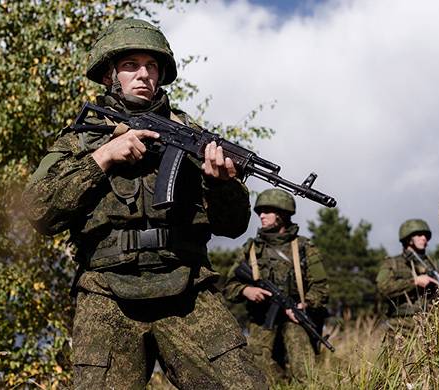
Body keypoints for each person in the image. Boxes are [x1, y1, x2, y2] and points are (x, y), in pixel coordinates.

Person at [22, 18, 267, 389]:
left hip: (186, 289)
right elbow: (37, 212)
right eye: (130, 65)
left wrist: (222, 184)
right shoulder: (81, 140)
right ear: (109, 75)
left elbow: (233, 226)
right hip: (106, 295)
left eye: (152, 66)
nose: (144, 75)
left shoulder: (193, 137)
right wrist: (102, 158)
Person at [223, 189, 329, 384]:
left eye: (267, 211)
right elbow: (229, 287)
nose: (261, 216)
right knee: (259, 371)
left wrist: (303, 306)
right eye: (259, 212)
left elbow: (321, 288)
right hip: (262, 320)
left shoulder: (305, 248)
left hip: (294, 318)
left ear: (281, 215)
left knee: (304, 366)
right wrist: (247, 290)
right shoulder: (252, 249)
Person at [376, 218, 439, 337]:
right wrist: (414, 282)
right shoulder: (392, 263)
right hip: (399, 328)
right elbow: (383, 288)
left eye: (426, 236)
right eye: (419, 235)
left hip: (429, 327)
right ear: (408, 238)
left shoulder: (433, 265)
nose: (424, 238)